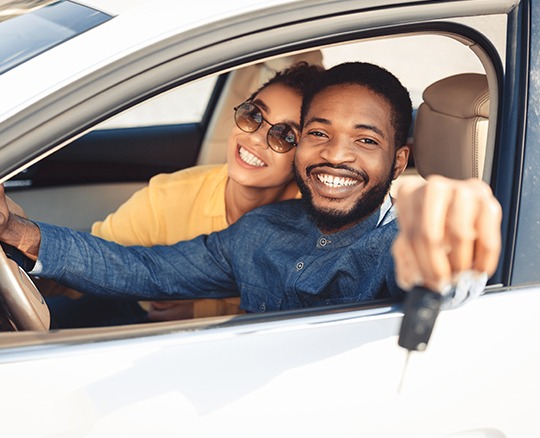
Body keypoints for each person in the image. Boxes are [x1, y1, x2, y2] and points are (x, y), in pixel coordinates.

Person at [0, 62, 502, 314]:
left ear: (399, 162)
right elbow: (144, 268)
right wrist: (18, 231)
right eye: (318, 133)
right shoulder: (259, 232)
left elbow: (443, 288)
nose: (335, 154)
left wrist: (451, 251)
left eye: (365, 140)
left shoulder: (398, 243)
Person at [44, 61, 325, 327]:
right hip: (139, 313)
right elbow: (93, 259)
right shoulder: (170, 195)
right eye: (253, 116)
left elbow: (304, 317)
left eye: (285, 136)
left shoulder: (318, 227)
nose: (254, 138)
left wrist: (201, 312)